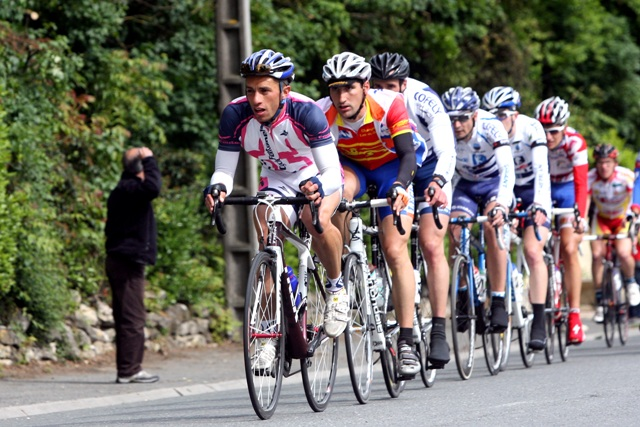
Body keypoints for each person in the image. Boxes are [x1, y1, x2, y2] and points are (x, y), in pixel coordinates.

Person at [203, 49, 346, 371]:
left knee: (315, 219)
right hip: (277, 179)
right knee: (267, 239)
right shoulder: (235, 114)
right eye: (250, 90)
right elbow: (224, 169)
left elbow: (332, 172)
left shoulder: (306, 112)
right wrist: (217, 187)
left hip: (316, 174)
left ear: (285, 90)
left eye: (264, 90)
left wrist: (318, 187)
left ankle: (337, 289)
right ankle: (268, 334)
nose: (256, 99)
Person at [316, 52, 420, 378]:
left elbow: (408, 154)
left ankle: (406, 340)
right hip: (353, 170)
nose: (341, 97)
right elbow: (323, 168)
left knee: (394, 249)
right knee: (338, 195)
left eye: (348, 88)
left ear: (365, 86)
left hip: (391, 170)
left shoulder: (389, 104)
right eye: (335, 89)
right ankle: (349, 260)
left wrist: (401, 186)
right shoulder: (323, 112)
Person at [369, 52, 456, 367]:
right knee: (391, 239)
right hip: (396, 166)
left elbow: (447, 149)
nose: (383, 93)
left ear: (404, 85)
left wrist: (439, 181)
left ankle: (439, 330)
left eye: (390, 87)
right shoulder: (365, 101)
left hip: (429, 167)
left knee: (432, 244)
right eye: (377, 86)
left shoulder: (423, 99)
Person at [482, 86, 554, 350]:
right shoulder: (488, 131)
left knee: (533, 251)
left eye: (502, 115)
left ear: (515, 114)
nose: (497, 120)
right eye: (492, 115)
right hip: (506, 189)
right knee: (496, 232)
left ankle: (539, 320)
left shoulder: (530, 128)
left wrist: (540, 204)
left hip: (533, 188)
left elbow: (542, 170)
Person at [441, 86, 515, 333]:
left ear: (474, 115)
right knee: (455, 230)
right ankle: (463, 294)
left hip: (493, 182)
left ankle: (498, 300)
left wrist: (502, 204)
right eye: (452, 118)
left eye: (462, 118)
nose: (456, 125)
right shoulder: (444, 130)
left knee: (493, 226)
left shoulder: (491, 126)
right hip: (465, 185)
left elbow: (507, 168)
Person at [105, 146, 162, 384]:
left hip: (122, 260)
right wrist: (149, 158)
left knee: (127, 316)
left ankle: (128, 368)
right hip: (126, 261)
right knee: (132, 317)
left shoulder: (124, 189)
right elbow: (153, 188)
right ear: (140, 169)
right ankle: (129, 370)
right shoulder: (131, 189)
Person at [534, 96, 588, 335]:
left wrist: (580, 215)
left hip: (568, 190)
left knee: (568, 246)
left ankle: (574, 315)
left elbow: (582, 183)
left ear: (564, 127)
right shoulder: (533, 139)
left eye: (554, 131)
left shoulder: (575, 142)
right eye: (544, 130)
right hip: (543, 188)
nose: (548, 137)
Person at [586, 144, 640, 322]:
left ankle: (631, 282)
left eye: (608, 162)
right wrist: (581, 220)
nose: (604, 167)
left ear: (615, 163)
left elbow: (636, 195)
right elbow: (585, 201)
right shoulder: (590, 177)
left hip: (622, 218)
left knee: (624, 253)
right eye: (600, 163)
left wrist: (634, 216)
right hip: (602, 219)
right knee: (597, 255)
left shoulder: (626, 176)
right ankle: (600, 298)